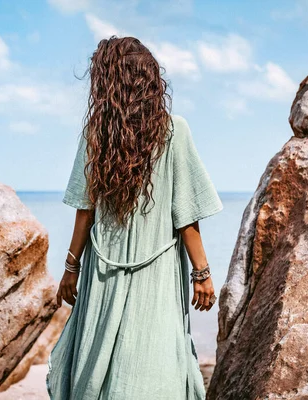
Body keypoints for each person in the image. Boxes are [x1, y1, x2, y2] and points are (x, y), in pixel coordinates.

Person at [46, 36, 223, 400]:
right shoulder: (174, 130)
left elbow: (85, 209)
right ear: (150, 81)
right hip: (154, 274)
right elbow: (185, 215)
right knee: (153, 363)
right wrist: (201, 274)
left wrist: (71, 267)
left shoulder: (97, 134)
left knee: (97, 367)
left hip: (103, 272)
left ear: (107, 82)